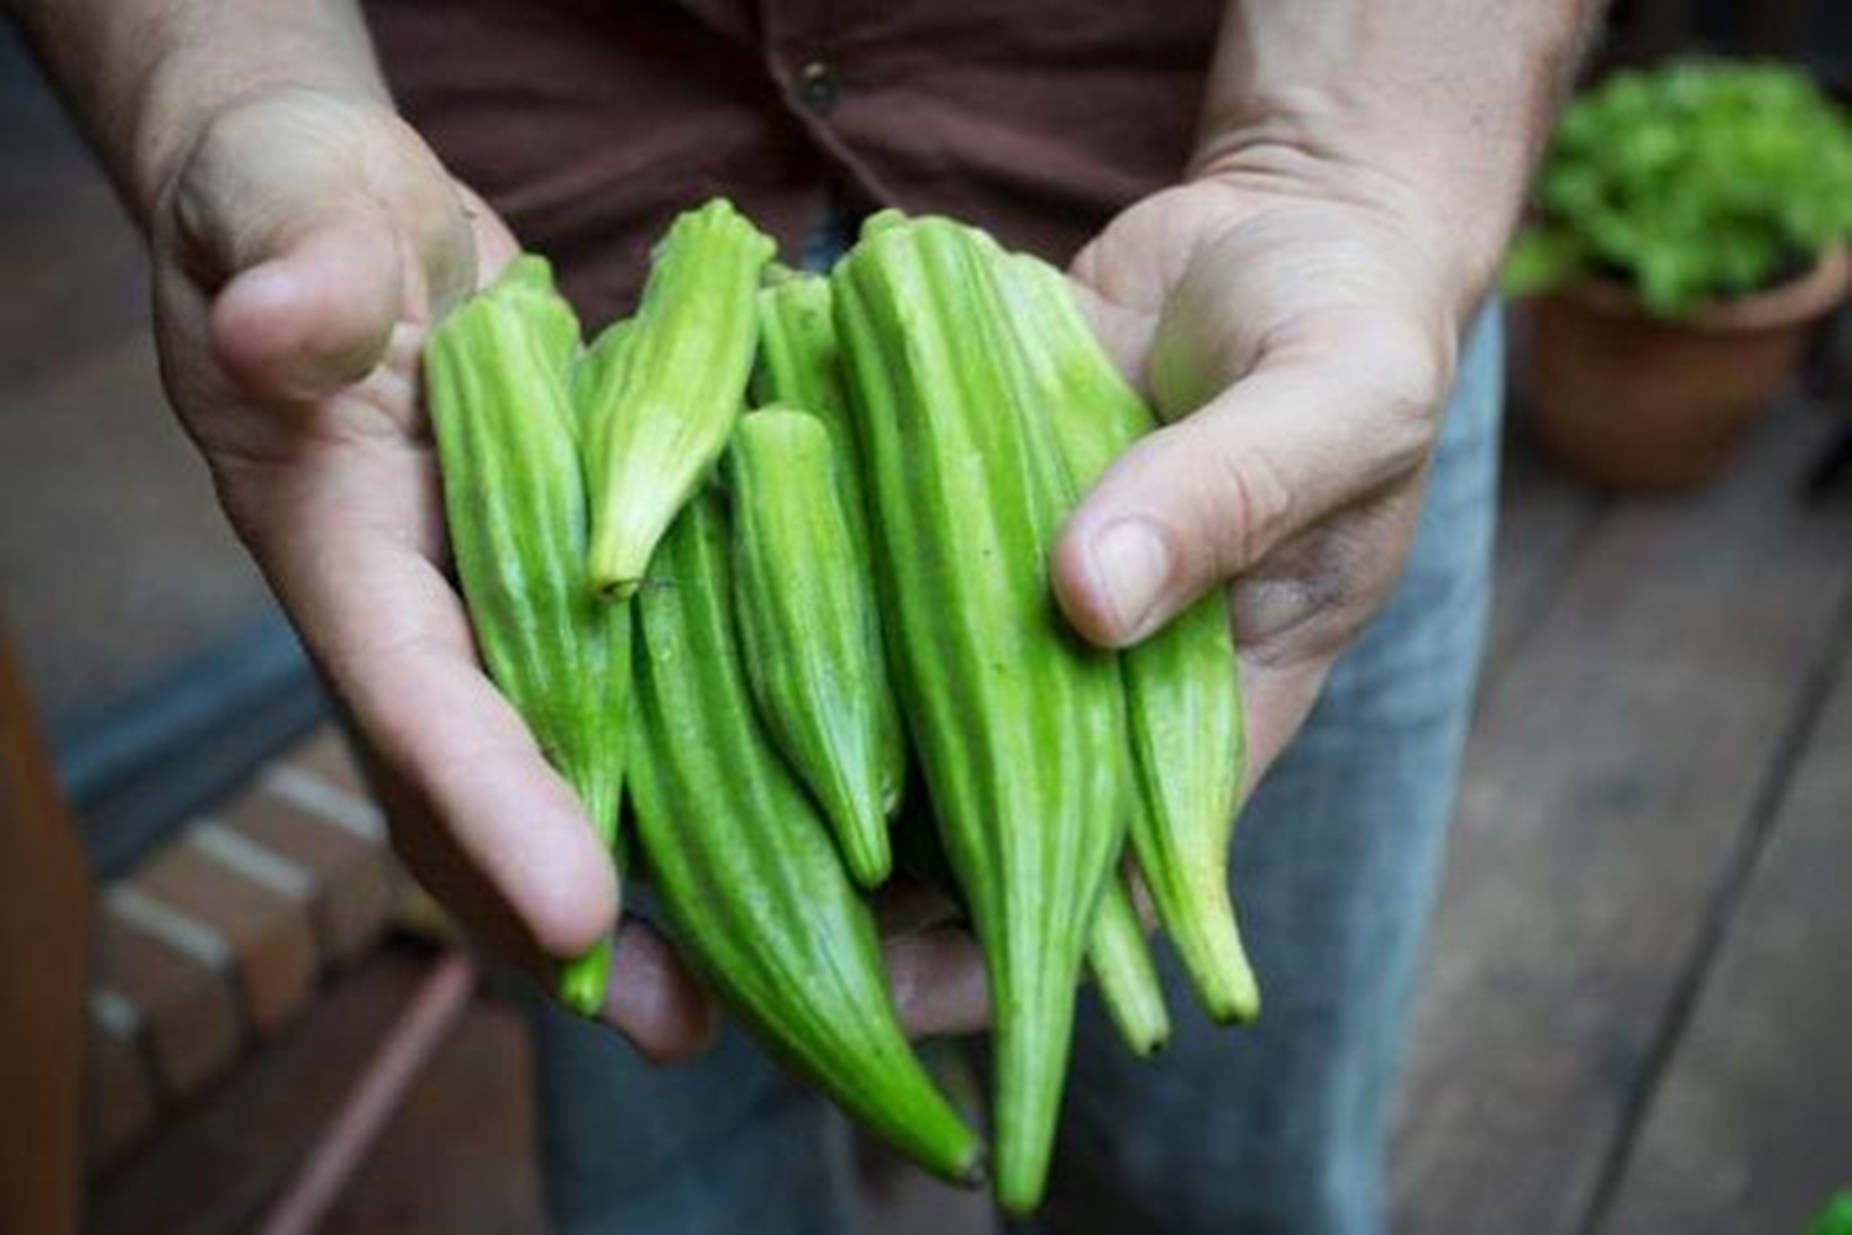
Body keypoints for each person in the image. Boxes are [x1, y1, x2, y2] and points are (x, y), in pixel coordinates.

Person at [9, 1, 1598, 1229]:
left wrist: (1355, 171)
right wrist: (223, 90)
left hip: (1192, 354)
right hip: (480, 351)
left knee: (1226, 1185)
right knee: (661, 1157)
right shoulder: (536, 454)